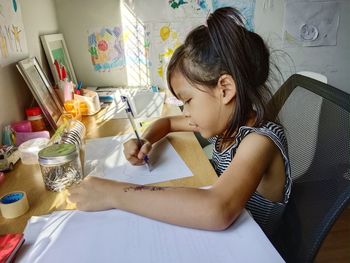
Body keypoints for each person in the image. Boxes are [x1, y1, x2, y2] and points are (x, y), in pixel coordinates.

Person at [68, 7, 291, 238]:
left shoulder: (260, 140)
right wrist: (145, 140)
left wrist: (113, 193)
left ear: (224, 89)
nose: (186, 111)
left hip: (254, 247)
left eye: (188, 100)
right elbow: (167, 123)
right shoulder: (227, 122)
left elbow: (217, 208)